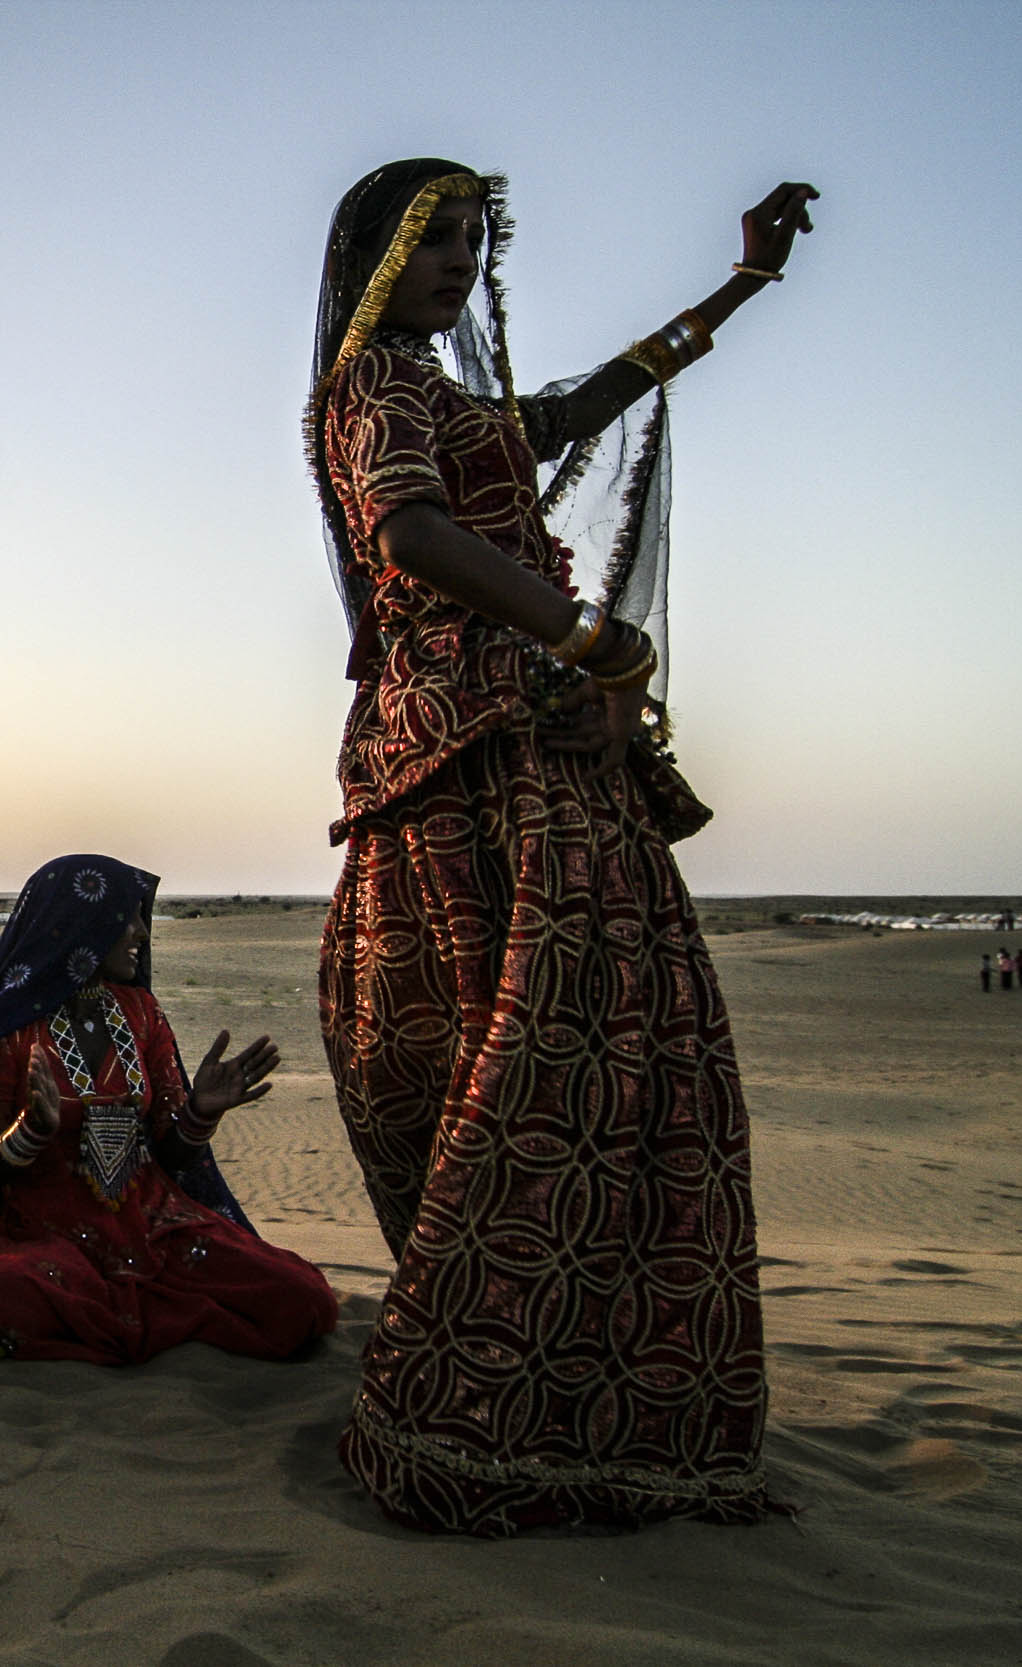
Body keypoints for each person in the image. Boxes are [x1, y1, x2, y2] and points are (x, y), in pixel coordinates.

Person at [308, 160, 817, 1534]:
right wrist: (584, 635)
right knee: (535, 1047)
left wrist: (748, 283)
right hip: (471, 733)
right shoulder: (375, 391)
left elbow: (591, 398)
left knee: (622, 1052)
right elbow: (410, 532)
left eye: (475, 243)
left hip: (538, 722)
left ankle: (613, 1411)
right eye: (434, 243)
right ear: (372, 255)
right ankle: (486, 1412)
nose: (458, 266)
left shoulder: (451, 397)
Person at [0, 856, 337, 1364]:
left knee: (303, 1298)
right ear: (81, 923)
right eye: (128, 917)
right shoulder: (9, 1026)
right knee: (15, 1291)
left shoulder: (142, 1012)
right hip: (42, 1226)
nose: (142, 932)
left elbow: (172, 1152)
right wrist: (28, 1133)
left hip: (152, 1218)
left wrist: (201, 1112)